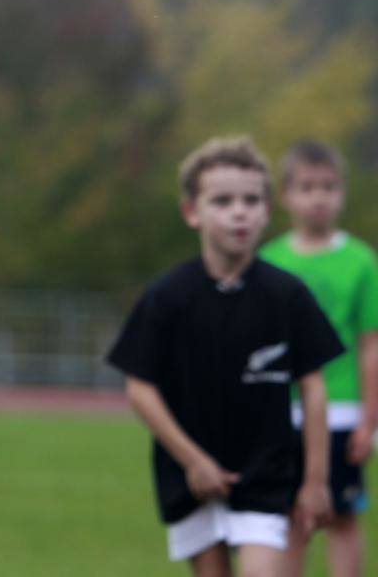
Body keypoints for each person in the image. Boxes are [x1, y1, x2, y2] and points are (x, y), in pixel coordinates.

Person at [107, 136, 342, 577]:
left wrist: (315, 481)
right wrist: (194, 460)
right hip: (191, 482)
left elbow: (312, 387)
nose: (240, 211)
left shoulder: (288, 295)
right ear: (192, 211)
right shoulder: (167, 296)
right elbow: (140, 389)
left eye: (251, 199)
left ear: (267, 210)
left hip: (269, 477)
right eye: (223, 200)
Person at [261, 139, 378, 577]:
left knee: (342, 517)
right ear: (287, 195)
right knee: (291, 517)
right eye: (307, 187)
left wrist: (370, 418)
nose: (318, 197)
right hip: (282, 411)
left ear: (342, 193)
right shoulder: (269, 260)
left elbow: (371, 343)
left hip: (342, 411)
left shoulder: (361, 261)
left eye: (328, 187)